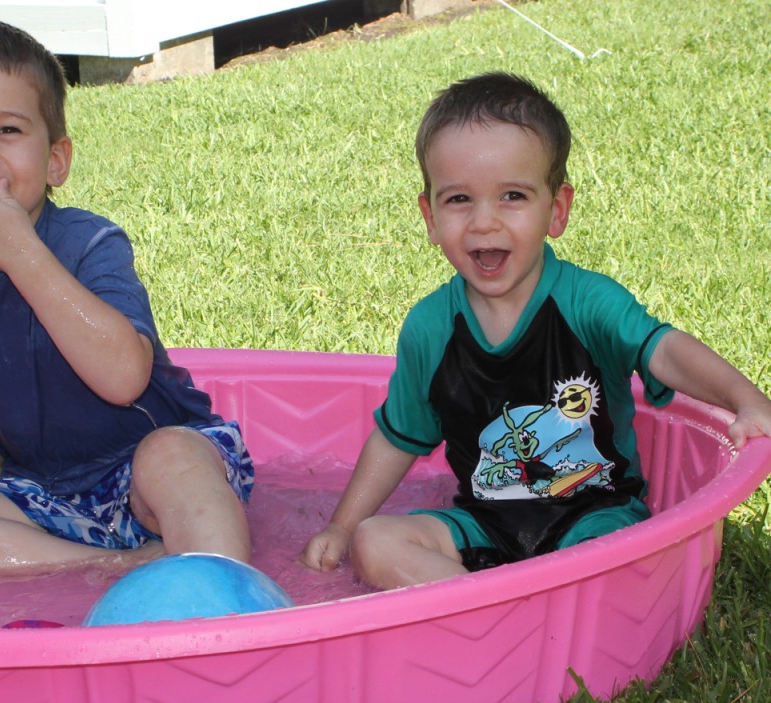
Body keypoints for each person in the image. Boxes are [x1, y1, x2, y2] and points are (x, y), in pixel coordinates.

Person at [301, 71, 771, 590]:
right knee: (377, 541)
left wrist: (746, 399)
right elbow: (398, 439)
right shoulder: (430, 328)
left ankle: (504, 607)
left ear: (557, 209)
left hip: (593, 514)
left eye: (512, 197)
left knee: (609, 561)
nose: (484, 222)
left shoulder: (587, 302)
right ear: (429, 216)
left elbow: (666, 352)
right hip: (486, 523)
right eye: (459, 199)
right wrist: (343, 527)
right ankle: (483, 608)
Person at [0, 18, 254, 576]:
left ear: (56, 160)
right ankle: (105, 566)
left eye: (7, 130)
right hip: (53, 499)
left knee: (171, 458)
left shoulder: (89, 242)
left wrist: (22, 254)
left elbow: (125, 377)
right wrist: (14, 509)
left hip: (156, 472)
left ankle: (224, 593)